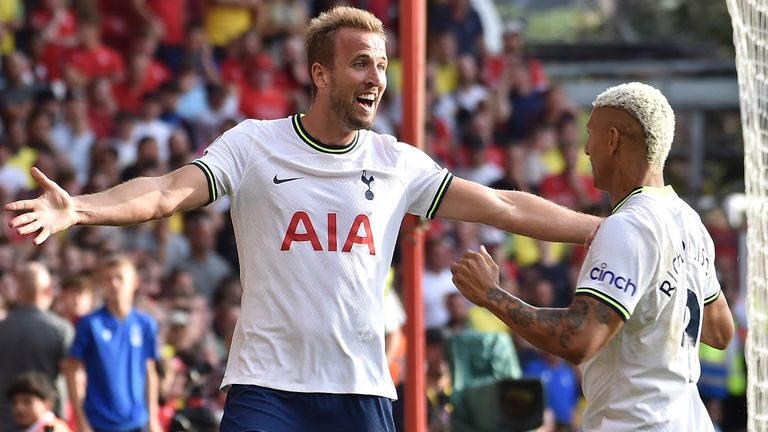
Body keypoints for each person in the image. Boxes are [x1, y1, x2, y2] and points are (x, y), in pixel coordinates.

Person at [5, 7, 600, 431]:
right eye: (361, 64)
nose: (376, 79)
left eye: (383, 66)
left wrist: (599, 228)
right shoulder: (254, 145)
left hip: (361, 390)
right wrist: (78, 208)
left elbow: (505, 204)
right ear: (320, 74)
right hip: (267, 389)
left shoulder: (397, 163)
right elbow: (166, 191)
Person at [450, 82, 735, 431]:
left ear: (613, 139)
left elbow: (577, 339)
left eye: (591, 134)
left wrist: (492, 296)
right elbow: (720, 331)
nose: (586, 149)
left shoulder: (626, 226)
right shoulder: (689, 222)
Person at [63, 255, 161, 432]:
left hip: (138, 421)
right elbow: (72, 371)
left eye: (120, 278)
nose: (114, 284)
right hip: (99, 422)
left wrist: (153, 419)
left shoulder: (145, 324)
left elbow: (150, 371)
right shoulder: (89, 324)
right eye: (108, 279)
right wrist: (81, 421)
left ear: (135, 282)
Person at [0, 262, 74, 432]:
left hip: (7, 419)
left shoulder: (2, 328)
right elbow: (72, 379)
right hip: (48, 420)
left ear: (18, 291)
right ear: (49, 291)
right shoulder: (60, 329)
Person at [6, 372, 71, 432]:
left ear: (47, 404)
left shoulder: (54, 429)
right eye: (15, 402)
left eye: (27, 401)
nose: (19, 408)